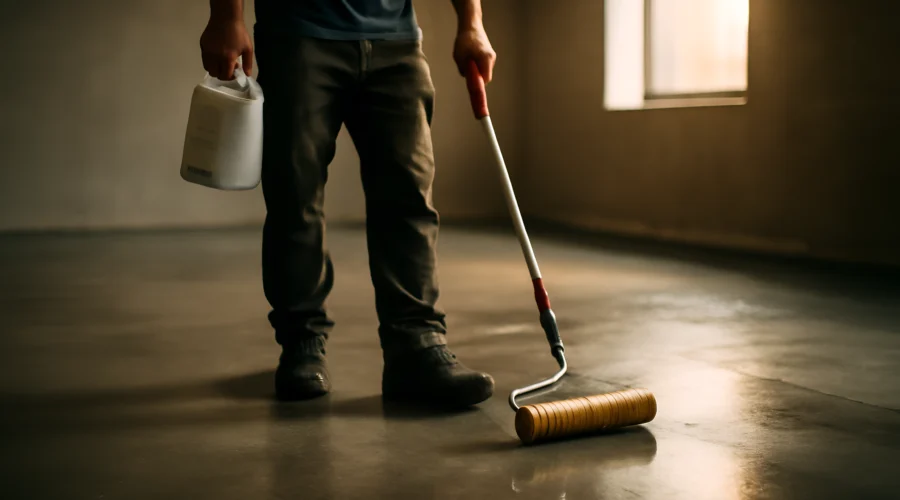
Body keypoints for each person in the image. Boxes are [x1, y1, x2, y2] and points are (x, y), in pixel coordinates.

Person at [199, 0, 497, 407]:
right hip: (299, 33)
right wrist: (226, 17)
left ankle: (416, 345)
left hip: (397, 41)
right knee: (296, 196)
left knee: (409, 198)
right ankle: (302, 345)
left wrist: (472, 23)